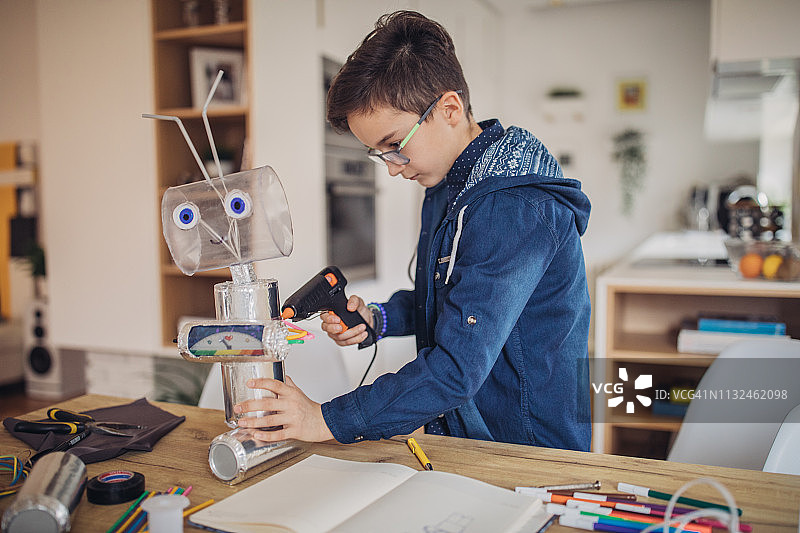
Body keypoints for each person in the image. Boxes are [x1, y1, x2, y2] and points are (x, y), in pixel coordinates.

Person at [234, 10, 592, 451]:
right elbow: (449, 298)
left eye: (395, 146)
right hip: (465, 439)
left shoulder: (513, 208)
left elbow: (456, 369)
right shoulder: (448, 186)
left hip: (526, 451)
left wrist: (324, 418)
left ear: (449, 109)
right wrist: (377, 319)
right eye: (378, 154)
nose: (391, 169)